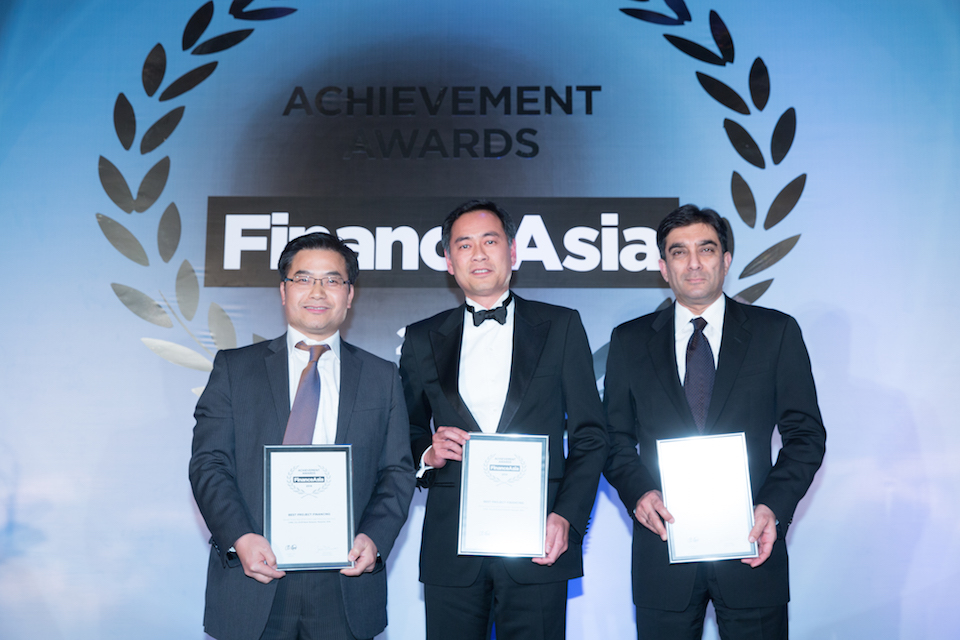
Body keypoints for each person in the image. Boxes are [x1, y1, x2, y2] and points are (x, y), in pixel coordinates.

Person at [602, 204, 826, 640]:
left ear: (725, 260)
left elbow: (806, 436)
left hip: (752, 546)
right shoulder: (629, 341)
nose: (693, 263)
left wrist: (772, 508)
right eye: (679, 252)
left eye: (705, 250)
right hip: (663, 548)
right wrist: (639, 493)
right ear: (663, 268)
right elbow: (613, 437)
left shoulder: (776, 333)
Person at [399, 199, 609, 640]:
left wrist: (566, 517)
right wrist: (427, 453)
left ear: (512, 252)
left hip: (538, 542)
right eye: (464, 245)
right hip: (451, 548)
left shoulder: (561, 326)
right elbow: (407, 428)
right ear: (448, 261)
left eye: (490, 241)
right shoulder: (421, 338)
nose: (478, 254)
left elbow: (591, 435)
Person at [189, 232, 415, 640]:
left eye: (332, 280)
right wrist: (240, 537)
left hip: (345, 587)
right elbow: (209, 463)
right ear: (283, 290)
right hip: (253, 580)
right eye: (304, 278)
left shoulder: (382, 377)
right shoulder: (234, 369)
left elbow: (397, 472)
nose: (317, 291)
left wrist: (374, 538)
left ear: (349, 295)